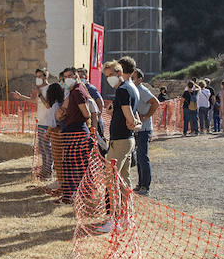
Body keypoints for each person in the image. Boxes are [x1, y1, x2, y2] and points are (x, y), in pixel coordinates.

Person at [104, 57, 141, 226]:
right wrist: (135, 124)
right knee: (125, 178)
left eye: (110, 74)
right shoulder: (132, 88)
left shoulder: (122, 90)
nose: (108, 78)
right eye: (106, 76)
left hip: (120, 140)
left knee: (111, 179)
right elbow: (135, 118)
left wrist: (132, 123)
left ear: (119, 72)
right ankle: (126, 216)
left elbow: (130, 117)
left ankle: (114, 218)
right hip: (127, 140)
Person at [54, 67, 96, 204]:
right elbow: (62, 110)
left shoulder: (78, 91)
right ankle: (73, 195)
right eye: (65, 77)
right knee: (72, 165)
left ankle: (79, 195)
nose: (67, 79)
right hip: (72, 132)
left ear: (76, 76)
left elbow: (87, 114)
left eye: (70, 76)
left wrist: (65, 113)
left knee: (75, 165)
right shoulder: (74, 91)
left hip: (77, 133)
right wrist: (63, 112)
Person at [131, 68, 154, 195]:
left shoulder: (143, 90)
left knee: (143, 157)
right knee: (139, 158)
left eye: (133, 77)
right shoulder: (134, 89)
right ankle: (141, 184)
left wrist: (145, 117)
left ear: (140, 79)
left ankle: (146, 186)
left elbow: (155, 103)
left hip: (144, 129)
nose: (131, 79)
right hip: (138, 129)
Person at [36, 80, 62, 180]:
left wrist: (47, 133)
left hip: (52, 132)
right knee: (45, 151)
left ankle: (48, 173)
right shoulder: (57, 105)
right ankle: (45, 171)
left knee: (49, 152)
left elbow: (53, 122)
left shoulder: (55, 106)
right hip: (51, 131)